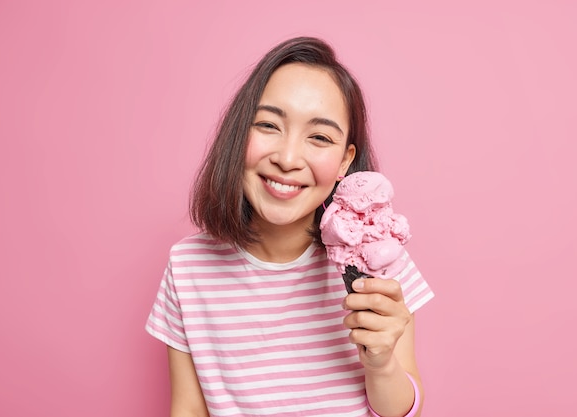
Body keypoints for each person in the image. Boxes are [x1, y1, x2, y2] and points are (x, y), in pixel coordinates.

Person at [146, 36, 434, 417]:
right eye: (268, 125)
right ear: (238, 134)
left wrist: (380, 364)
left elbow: (402, 410)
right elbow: (188, 409)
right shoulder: (188, 267)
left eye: (319, 137)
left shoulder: (378, 261)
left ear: (345, 161)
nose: (287, 158)